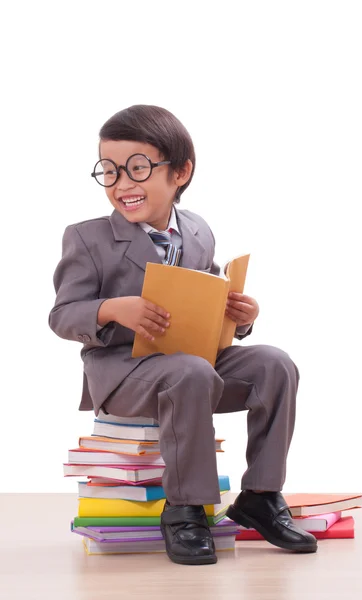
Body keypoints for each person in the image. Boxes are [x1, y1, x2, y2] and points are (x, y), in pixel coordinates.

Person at [49, 104, 317, 565]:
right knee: (190, 372)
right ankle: (185, 510)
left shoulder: (197, 229)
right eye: (109, 171)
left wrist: (241, 314)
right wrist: (114, 308)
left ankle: (261, 495)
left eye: (137, 168)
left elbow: (207, 297)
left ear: (180, 172)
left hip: (191, 364)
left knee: (275, 363)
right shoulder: (87, 238)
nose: (122, 184)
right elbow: (62, 315)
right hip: (125, 373)